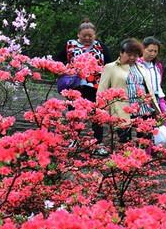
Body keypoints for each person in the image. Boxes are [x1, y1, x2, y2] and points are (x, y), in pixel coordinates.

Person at [56, 19, 113, 152]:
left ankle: (97, 144)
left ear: (95, 35)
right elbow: (57, 60)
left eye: (90, 36)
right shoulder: (70, 45)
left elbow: (109, 65)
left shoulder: (101, 46)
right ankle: (73, 140)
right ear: (78, 35)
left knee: (97, 116)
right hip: (74, 86)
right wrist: (67, 69)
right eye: (84, 36)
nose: (87, 38)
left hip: (95, 87)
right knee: (74, 114)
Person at [97, 38, 160, 145]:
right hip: (123, 108)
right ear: (121, 53)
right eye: (129, 54)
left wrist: (156, 107)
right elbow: (102, 90)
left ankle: (141, 160)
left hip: (143, 107)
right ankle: (126, 160)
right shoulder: (110, 67)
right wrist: (101, 109)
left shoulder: (141, 67)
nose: (132, 58)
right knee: (124, 139)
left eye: (135, 55)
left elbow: (148, 88)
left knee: (145, 138)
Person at [139, 37, 166, 131]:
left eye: (155, 51)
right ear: (143, 49)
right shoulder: (136, 64)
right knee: (147, 128)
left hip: (159, 99)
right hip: (144, 100)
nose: (152, 54)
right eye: (150, 50)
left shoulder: (157, 66)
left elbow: (159, 82)